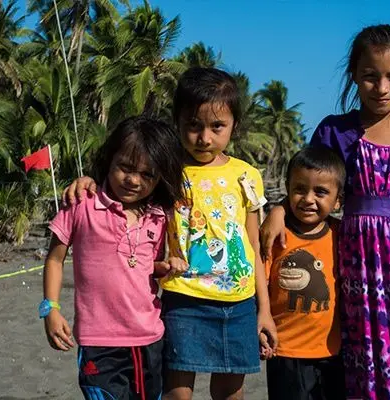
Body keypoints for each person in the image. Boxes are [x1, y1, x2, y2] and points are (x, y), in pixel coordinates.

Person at [260, 24, 390, 399]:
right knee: (364, 360)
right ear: (354, 73)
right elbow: (311, 181)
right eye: (370, 76)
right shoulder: (335, 133)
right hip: (355, 270)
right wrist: (278, 211)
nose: (381, 88)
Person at [61, 67, 277, 400]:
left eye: (217, 126)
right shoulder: (165, 169)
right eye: (193, 125)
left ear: (234, 124)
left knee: (231, 392)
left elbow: (252, 246)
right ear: (177, 121)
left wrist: (264, 309)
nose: (204, 138)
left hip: (238, 304)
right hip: (183, 299)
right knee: (176, 391)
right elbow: (125, 186)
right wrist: (88, 181)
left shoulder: (247, 175)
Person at [41, 116, 188, 400]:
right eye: (125, 168)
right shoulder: (81, 203)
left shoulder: (159, 216)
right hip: (99, 342)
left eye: (147, 174)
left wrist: (165, 267)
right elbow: (55, 260)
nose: (133, 180)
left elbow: (143, 267)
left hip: (150, 338)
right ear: (109, 159)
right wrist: (51, 309)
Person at [261, 146, 346, 400]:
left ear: (338, 200)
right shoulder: (275, 236)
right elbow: (260, 286)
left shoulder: (342, 235)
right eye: (299, 189)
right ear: (287, 190)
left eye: (320, 192)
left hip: (333, 351)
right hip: (285, 351)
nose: (308, 199)